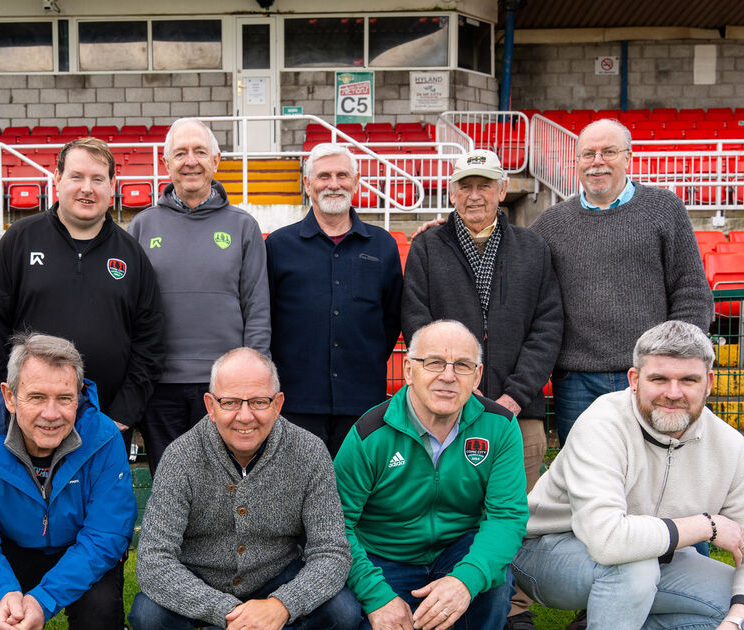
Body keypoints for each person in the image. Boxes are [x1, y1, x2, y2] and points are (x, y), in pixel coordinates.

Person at [511, 321, 744, 630]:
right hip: (549, 550)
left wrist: (735, 624)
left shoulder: (730, 447)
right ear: (634, 379)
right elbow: (607, 541)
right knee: (633, 570)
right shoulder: (602, 422)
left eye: (688, 380)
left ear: (708, 383)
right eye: (659, 379)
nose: (673, 393)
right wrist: (706, 525)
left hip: (654, 556)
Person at [400, 149, 561, 629]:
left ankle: (513, 608)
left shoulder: (533, 248)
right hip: (444, 409)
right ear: (452, 192)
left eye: (485, 185)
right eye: (466, 186)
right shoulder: (428, 247)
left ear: (501, 190)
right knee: (447, 509)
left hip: (517, 411)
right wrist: (453, 390)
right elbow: (416, 321)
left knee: (512, 512)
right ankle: (440, 592)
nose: (475, 195)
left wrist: (511, 396)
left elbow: (547, 327)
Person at [130, 347, 360, 630]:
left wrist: (282, 606)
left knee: (343, 612)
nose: (245, 416)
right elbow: (153, 560)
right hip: (199, 581)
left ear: (277, 404)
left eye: (259, 402)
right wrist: (230, 613)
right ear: (210, 406)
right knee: (148, 615)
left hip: (278, 577)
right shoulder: (180, 457)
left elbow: (332, 552)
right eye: (230, 403)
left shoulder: (309, 452)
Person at [529, 119, 712, 445]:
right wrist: (449, 231)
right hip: (576, 381)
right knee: (585, 468)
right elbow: (511, 257)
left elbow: (691, 290)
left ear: (628, 156)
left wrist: (673, 361)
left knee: (653, 464)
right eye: (588, 154)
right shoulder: (553, 222)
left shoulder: (664, 208)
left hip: (648, 374)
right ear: (577, 162)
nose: (597, 162)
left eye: (608, 152)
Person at [335, 320, 527, 630]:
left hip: (457, 551)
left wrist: (466, 580)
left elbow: (507, 517)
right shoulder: (370, 434)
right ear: (409, 370)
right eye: (434, 362)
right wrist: (376, 596)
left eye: (462, 365)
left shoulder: (500, 427)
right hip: (384, 558)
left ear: (477, 375)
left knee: (495, 583)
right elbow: (336, 525)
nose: (448, 376)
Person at [0, 333, 136, 630]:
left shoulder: (103, 438)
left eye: (65, 398)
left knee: (101, 609)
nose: (51, 414)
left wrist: (44, 600)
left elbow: (106, 534)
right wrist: (3, 592)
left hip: (80, 546)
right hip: (12, 547)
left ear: (79, 395)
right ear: (10, 397)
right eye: (36, 397)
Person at [0, 137, 164, 434]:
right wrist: (6, 405)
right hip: (30, 421)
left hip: (105, 424)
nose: (87, 188)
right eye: (77, 177)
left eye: (97, 179)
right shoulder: (19, 239)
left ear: (112, 185)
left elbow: (150, 341)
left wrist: (123, 413)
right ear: (57, 178)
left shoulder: (132, 254)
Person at [127, 117, 271, 472]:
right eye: (180, 153)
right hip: (160, 386)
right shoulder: (142, 225)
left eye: (200, 152)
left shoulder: (243, 226)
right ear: (166, 163)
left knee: (226, 483)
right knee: (170, 482)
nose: (190, 161)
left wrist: (252, 382)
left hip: (226, 389)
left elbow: (257, 309)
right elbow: (128, 310)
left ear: (216, 160)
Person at [265, 143, 402, 456]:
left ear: (356, 182)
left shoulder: (382, 245)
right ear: (308, 184)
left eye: (342, 175)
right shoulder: (279, 245)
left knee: (355, 484)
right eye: (324, 176)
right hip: (296, 401)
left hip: (363, 401)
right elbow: (267, 316)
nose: (334, 183)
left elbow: (391, 317)